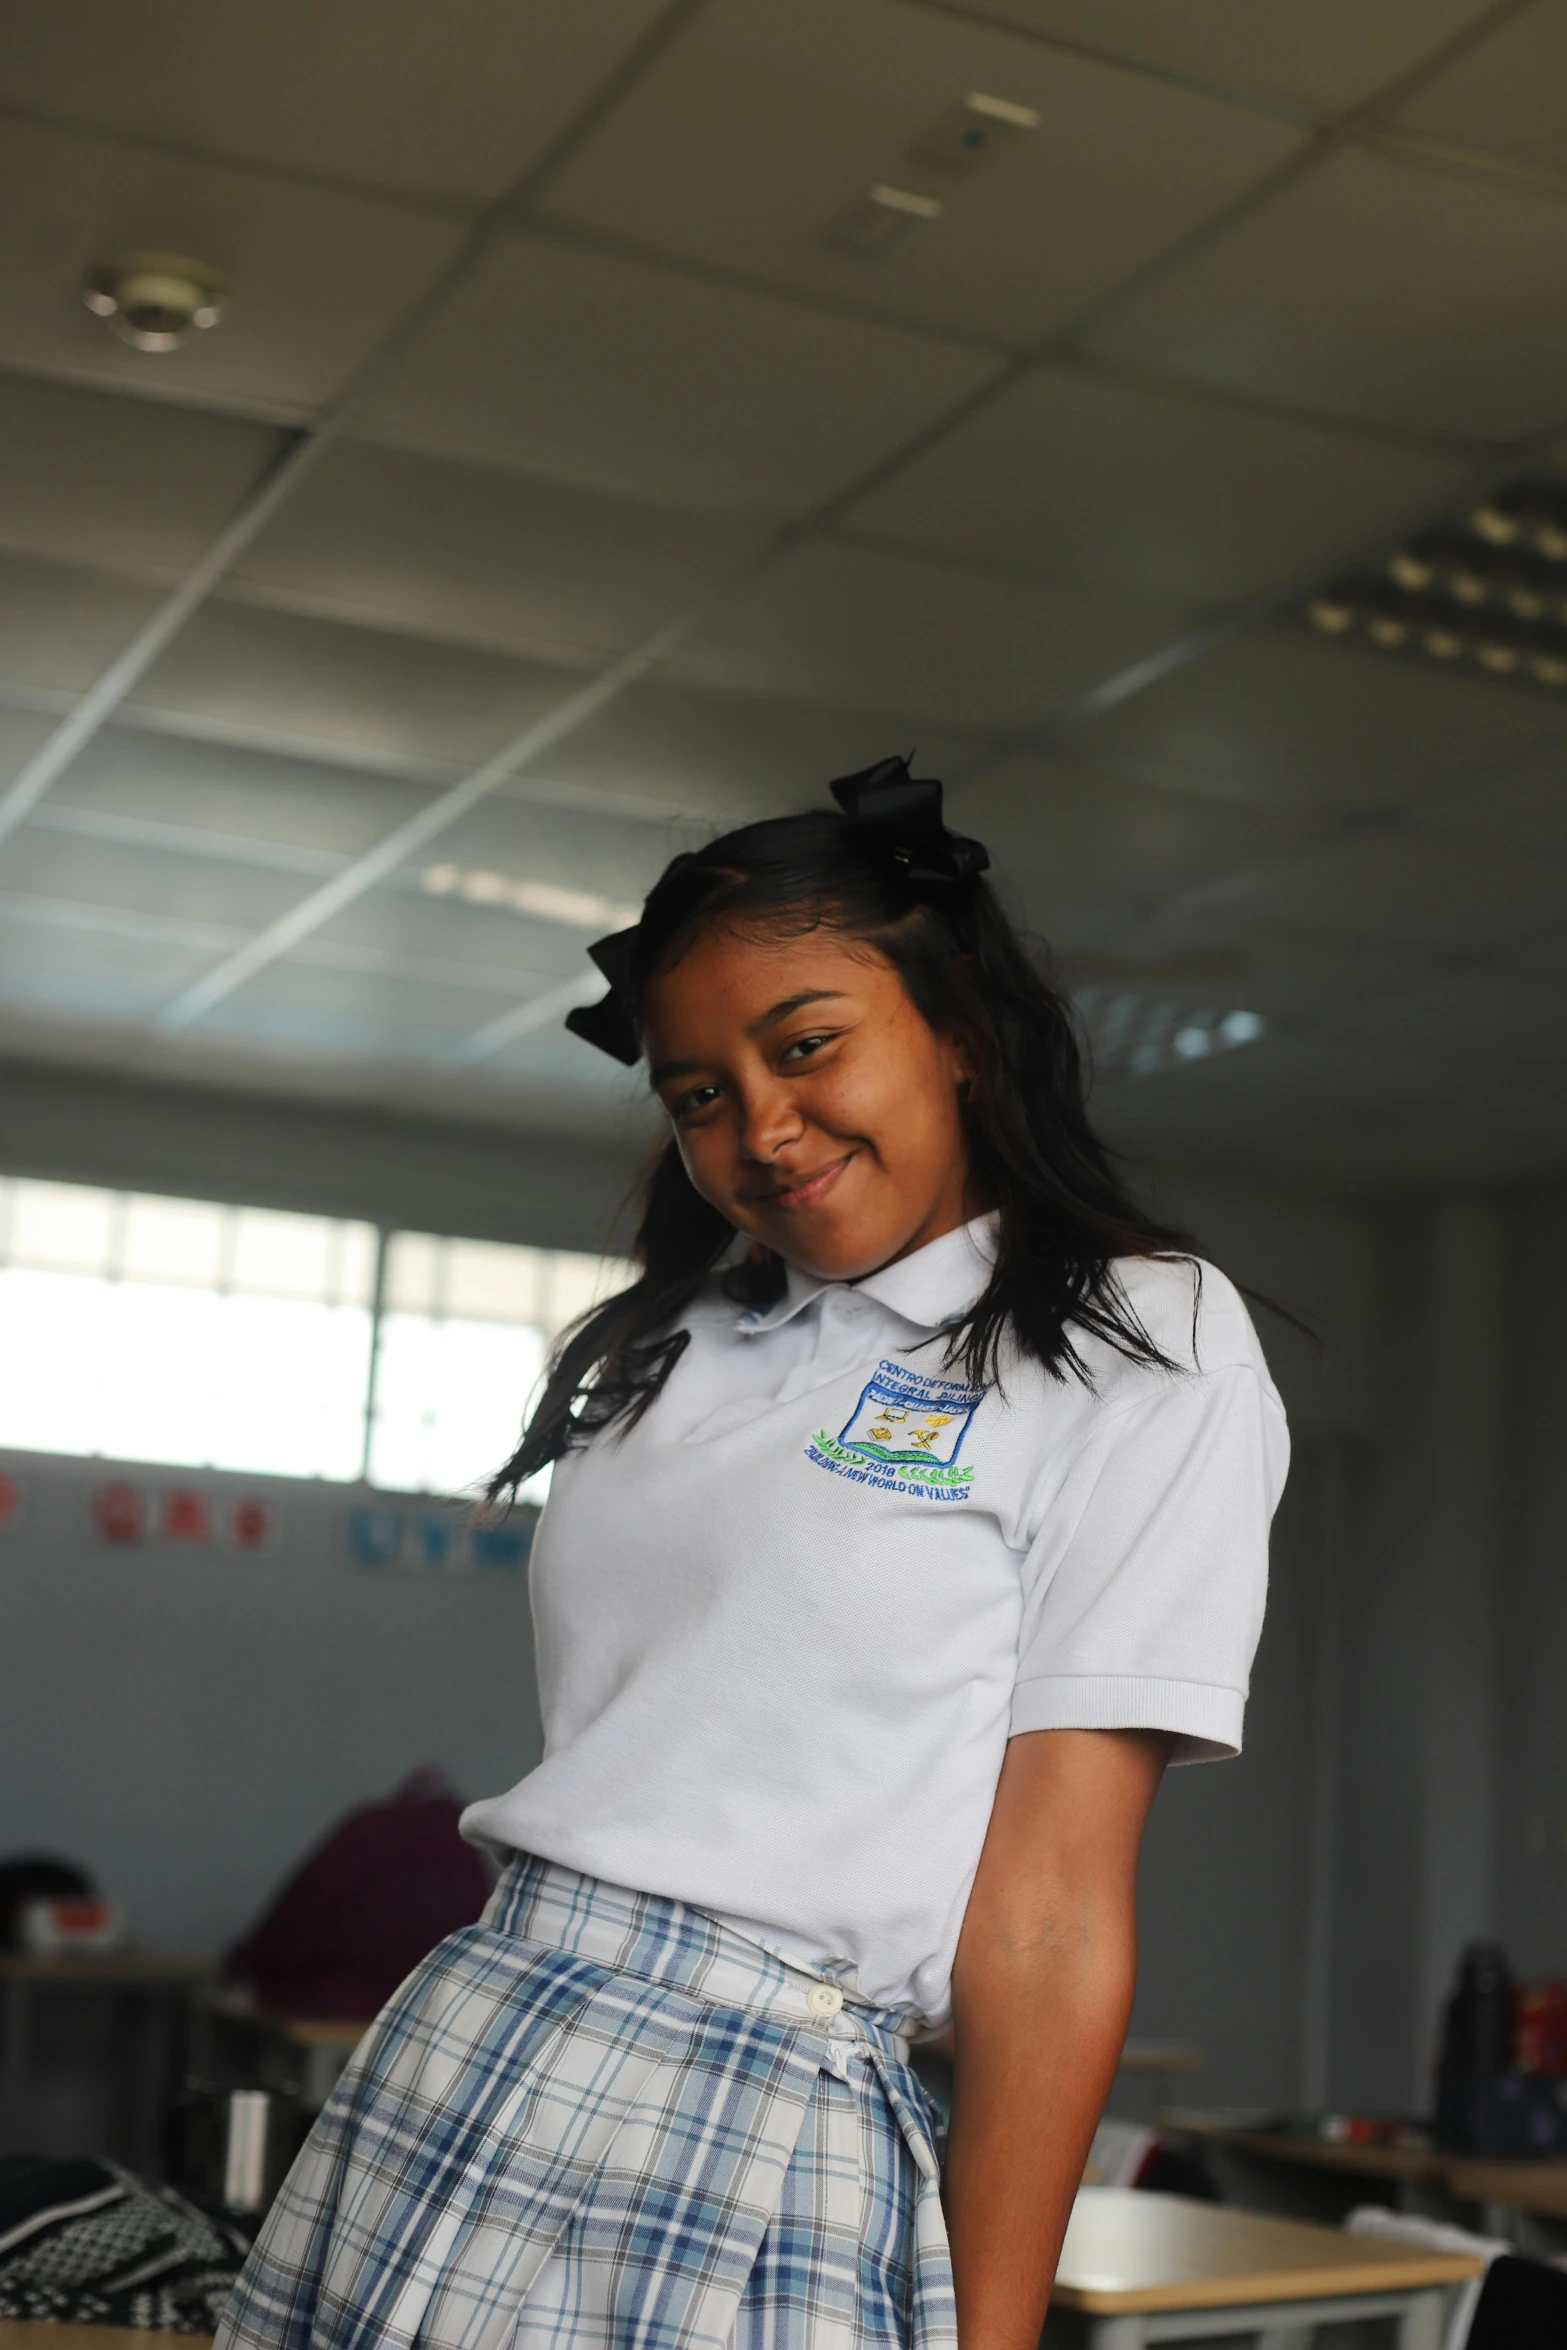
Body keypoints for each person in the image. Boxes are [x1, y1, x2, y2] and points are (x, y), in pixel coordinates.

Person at [216, 757, 1287, 2350]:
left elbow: (1049, 1916)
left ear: (962, 1030)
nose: (758, 1127)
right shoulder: (680, 1347)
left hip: (760, 2105)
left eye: (806, 1046)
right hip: (473, 2036)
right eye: (697, 1089)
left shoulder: (1137, 1338)